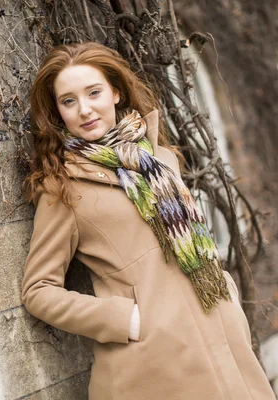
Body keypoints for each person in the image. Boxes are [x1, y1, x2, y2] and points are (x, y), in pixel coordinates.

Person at [20, 42, 275, 399]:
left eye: (94, 93)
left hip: (223, 338)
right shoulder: (62, 189)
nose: (85, 109)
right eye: (69, 101)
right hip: (156, 365)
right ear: (58, 112)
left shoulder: (161, 160)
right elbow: (38, 291)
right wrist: (125, 319)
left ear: (116, 92)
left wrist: (227, 291)